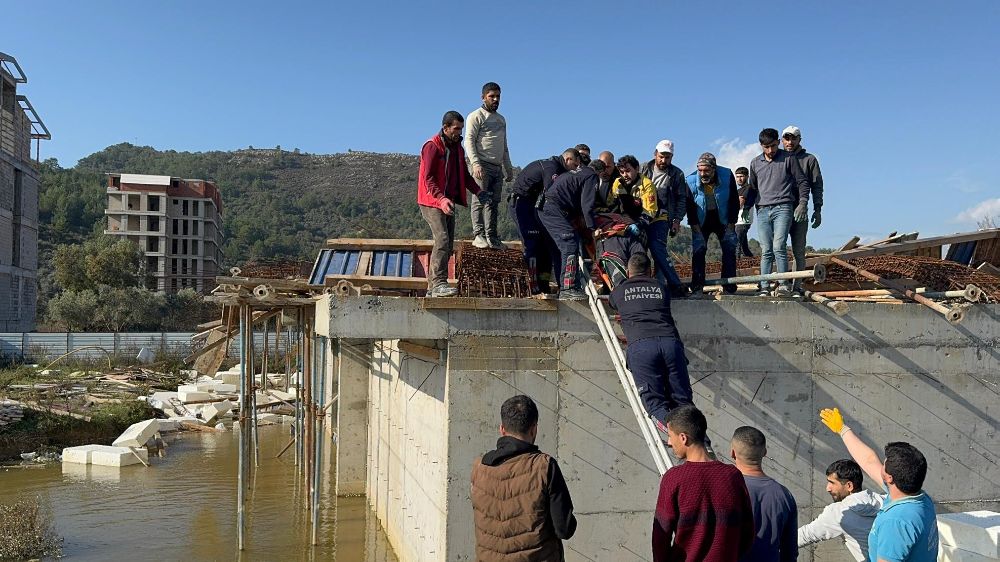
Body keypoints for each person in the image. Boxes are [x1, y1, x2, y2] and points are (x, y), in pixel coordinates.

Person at [819, 408, 939, 562]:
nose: (880, 466)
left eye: (884, 464)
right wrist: (843, 430)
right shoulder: (917, 496)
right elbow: (869, 460)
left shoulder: (896, 522)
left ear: (889, 478)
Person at [471, 395, 577, 561]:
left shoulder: (479, 468)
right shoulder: (544, 466)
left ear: (502, 429)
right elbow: (564, 529)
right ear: (534, 429)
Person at [653, 405, 755, 562]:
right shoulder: (733, 476)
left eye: (670, 436)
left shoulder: (673, 479)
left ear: (683, 438)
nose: (669, 442)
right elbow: (748, 532)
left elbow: (661, 538)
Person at [609, 253, 692, 429]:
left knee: (655, 405)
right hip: (671, 344)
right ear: (650, 270)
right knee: (683, 402)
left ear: (627, 271)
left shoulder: (620, 291)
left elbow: (613, 303)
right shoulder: (661, 287)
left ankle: (679, 436)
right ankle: (701, 442)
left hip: (642, 347)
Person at [417, 110, 488, 297]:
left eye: (461, 129)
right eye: (456, 128)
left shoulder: (458, 148)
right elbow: (428, 178)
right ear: (445, 127)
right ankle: (439, 283)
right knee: (442, 238)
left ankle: (433, 289)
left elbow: (464, 175)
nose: (459, 132)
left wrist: (478, 192)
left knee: (447, 246)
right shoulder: (432, 147)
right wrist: (440, 198)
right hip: (432, 200)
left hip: (448, 201)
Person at [744, 128, 810, 296]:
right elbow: (753, 187)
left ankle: (783, 285)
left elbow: (802, 182)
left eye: (773, 146)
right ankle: (764, 286)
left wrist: (803, 202)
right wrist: (746, 207)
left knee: (778, 246)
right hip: (763, 209)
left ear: (778, 143)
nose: (771, 150)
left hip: (783, 207)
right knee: (766, 249)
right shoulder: (755, 163)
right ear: (761, 146)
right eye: (766, 147)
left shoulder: (788, 158)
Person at [509, 150, 578, 293]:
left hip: (534, 205)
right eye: (574, 164)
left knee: (546, 244)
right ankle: (533, 286)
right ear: (568, 159)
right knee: (532, 244)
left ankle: (544, 283)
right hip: (522, 203)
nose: (575, 168)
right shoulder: (551, 168)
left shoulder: (556, 167)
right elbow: (551, 194)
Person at [614, 155, 685, 296]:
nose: (625, 175)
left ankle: (675, 284)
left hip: (656, 218)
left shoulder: (646, 184)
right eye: (621, 172)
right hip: (632, 220)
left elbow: (650, 211)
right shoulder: (618, 183)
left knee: (656, 246)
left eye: (628, 171)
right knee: (634, 249)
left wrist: (638, 225)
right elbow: (615, 206)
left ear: (637, 169)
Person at [730, 426, 797, 562]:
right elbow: (790, 552)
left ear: (733, 453)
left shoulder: (726, 489)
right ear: (765, 452)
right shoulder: (784, 495)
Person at [537, 159, 601, 300]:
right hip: (553, 209)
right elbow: (587, 205)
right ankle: (568, 287)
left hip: (546, 207)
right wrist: (592, 228)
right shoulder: (591, 176)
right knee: (569, 243)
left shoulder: (575, 173)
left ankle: (570, 285)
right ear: (599, 172)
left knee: (571, 241)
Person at [798, 459, 883, 562]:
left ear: (849, 486)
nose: (828, 488)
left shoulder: (840, 512)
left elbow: (806, 535)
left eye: (832, 483)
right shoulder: (883, 500)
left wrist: (774, 543)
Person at [465, 82, 514, 249]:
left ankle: (491, 236)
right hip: (481, 164)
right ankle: (478, 235)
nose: (495, 99)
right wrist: (475, 163)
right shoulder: (475, 116)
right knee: (480, 199)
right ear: (483, 97)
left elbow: (504, 145)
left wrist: (508, 167)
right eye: (491, 96)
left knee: (493, 203)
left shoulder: (501, 120)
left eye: (498, 96)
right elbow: (469, 141)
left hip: (496, 166)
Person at [685, 153, 739, 295]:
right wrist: (695, 229)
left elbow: (734, 200)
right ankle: (697, 288)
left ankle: (729, 287)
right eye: (700, 170)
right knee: (698, 251)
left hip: (723, 219)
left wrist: (731, 224)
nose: (703, 174)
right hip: (701, 221)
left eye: (707, 170)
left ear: (714, 169)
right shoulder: (689, 181)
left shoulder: (727, 175)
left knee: (729, 250)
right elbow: (689, 208)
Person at [781, 126, 824, 295]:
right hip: (780, 209)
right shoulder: (778, 158)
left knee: (798, 250)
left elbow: (817, 185)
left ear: (799, 140)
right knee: (777, 248)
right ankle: (778, 285)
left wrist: (818, 209)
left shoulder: (809, 159)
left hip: (800, 210)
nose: (790, 142)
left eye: (793, 138)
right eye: (787, 138)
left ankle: (797, 286)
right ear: (782, 140)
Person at [734, 166, 754, 258]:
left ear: (747, 176)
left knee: (736, 246)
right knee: (744, 247)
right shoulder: (738, 190)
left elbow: (740, 203)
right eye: (737, 177)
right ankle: (753, 262)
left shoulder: (749, 188)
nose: (739, 179)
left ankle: (735, 268)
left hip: (743, 220)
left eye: (741, 176)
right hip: (739, 221)